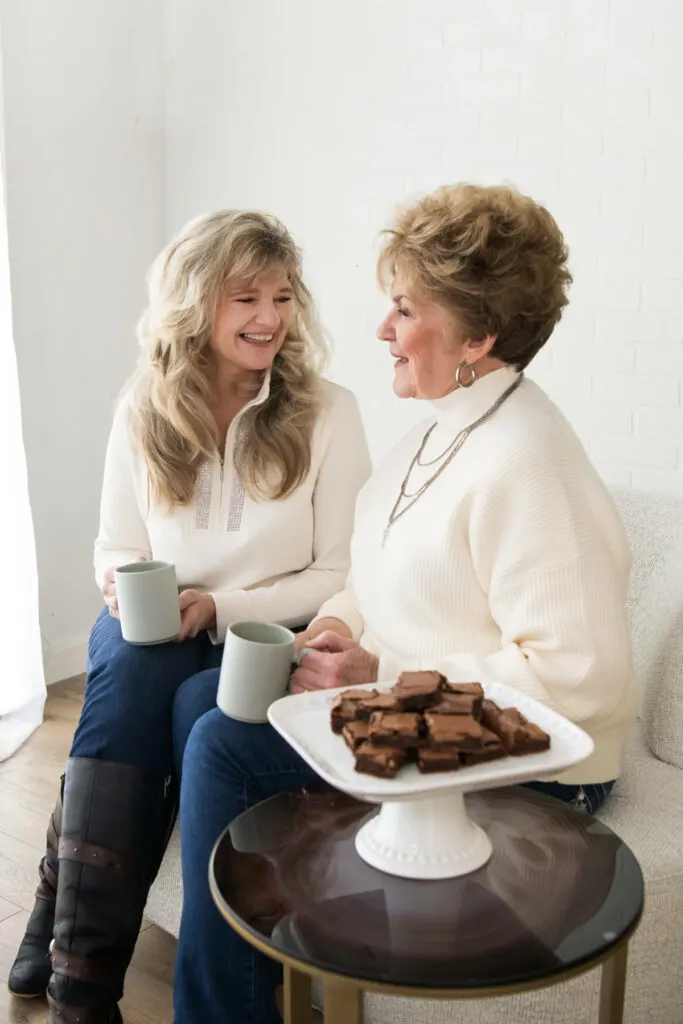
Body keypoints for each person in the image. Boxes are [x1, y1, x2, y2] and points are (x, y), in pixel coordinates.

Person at [172, 184, 638, 1024]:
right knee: (198, 697)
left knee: (221, 746)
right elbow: (372, 572)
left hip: (534, 773)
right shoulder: (434, 429)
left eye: (403, 309)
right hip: (414, 713)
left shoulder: (529, 462)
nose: (381, 329)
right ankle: (263, 971)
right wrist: (336, 627)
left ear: (478, 335)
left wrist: (382, 669)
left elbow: (582, 679)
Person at [8, 210, 371, 1024]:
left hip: (257, 637)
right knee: (136, 663)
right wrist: (118, 585)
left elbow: (340, 571)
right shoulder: (145, 405)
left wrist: (220, 605)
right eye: (245, 297)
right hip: (154, 629)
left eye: (281, 296)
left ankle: (65, 945)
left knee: (136, 683)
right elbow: (114, 543)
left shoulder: (329, 411)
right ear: (193, 304)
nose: (269, 318)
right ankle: (83, 982)